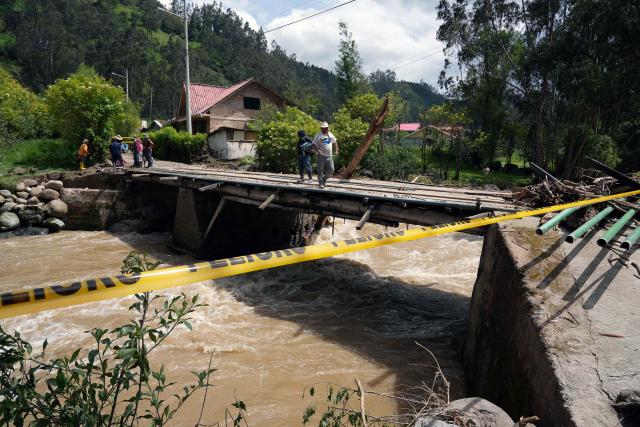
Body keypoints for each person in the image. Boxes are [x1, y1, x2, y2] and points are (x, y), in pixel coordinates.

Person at [312, 122, 338, 188]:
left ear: (327, 128)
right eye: (323, 128)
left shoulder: (330, 135)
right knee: (320, 170)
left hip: (329, 155)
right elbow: (314, 145)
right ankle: (321, 183)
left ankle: (324, 179)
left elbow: (334, 143)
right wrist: (318, 151)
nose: (324, 129)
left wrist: (336, 150)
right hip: (321, 156)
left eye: (325, 128)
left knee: (331, 170)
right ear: (321, 128)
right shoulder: (318, 136)